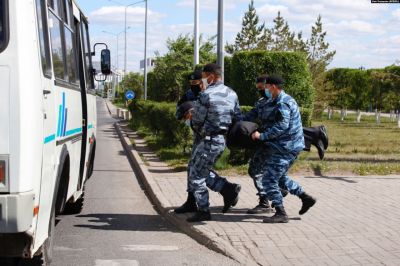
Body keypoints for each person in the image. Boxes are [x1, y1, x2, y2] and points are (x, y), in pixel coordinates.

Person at [241, 75, 326, 214]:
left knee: (269, 178)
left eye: (266, 87)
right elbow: (251, 115)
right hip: (275, 145)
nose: (264, 90)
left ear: (272, 87)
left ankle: (280, 212)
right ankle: (305, 198)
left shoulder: (283, 102)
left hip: (286, 147)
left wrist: (262, 136)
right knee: (271, 174)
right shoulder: (267, 101)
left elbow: (282, 125)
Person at [174, 71, 239, 216]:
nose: (195, 86)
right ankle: (193, 200)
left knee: (197, 171)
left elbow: (197, 120)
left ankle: (222, 192)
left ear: (207, 78)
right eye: (191, 84)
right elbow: (179, 111)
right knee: (193, 168)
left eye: (197, 83)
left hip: (207, 137)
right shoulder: (230, 93)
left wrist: (194, 120)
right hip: (206, 137)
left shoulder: (208, 94)